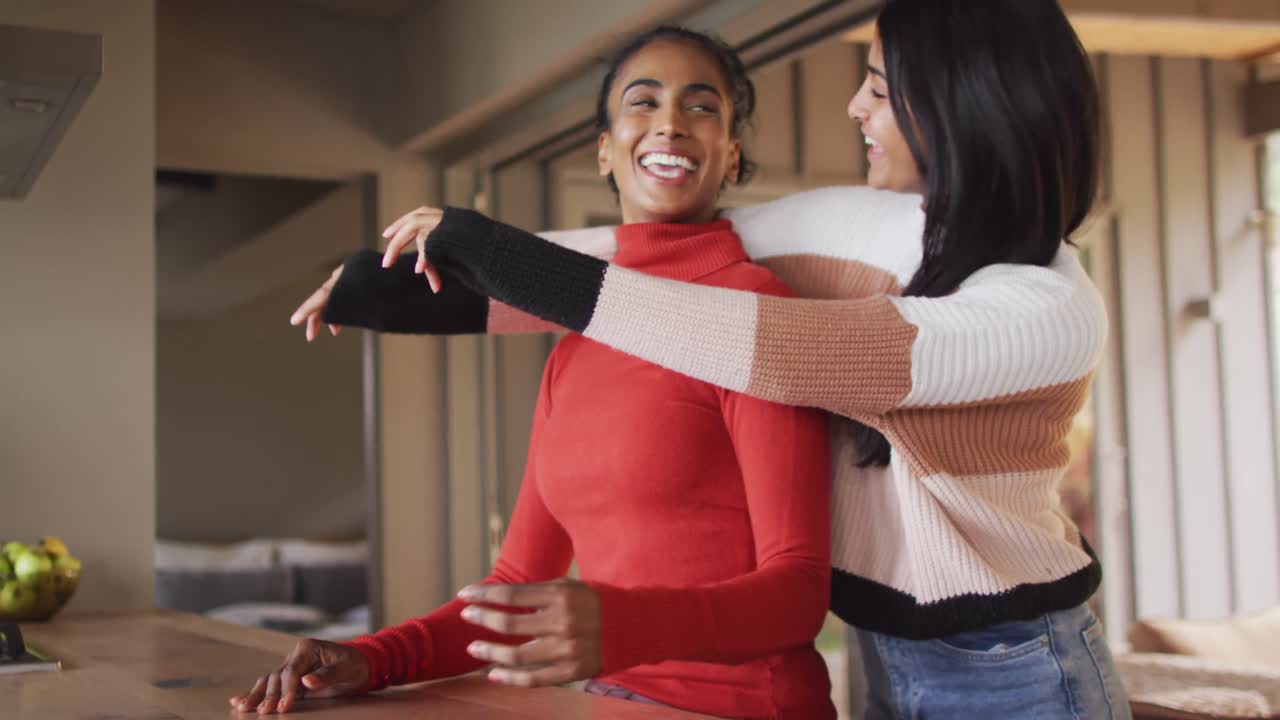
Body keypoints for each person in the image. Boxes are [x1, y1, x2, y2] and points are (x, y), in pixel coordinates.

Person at [296, 1, 1134, 717]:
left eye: (877, 88)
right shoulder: (868, 227)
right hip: (884, 652)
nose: (852, 108)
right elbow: (643, 253)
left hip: (1014, 664)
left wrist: (484, 243)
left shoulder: (1046, 312)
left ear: (957, 106)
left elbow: (768, 349)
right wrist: (389, 283)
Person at [232, 27, 837, 720]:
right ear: (605, 152)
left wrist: (620, 625)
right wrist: (370, 659)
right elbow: (516, 584)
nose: (670, 122)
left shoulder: (754, 306)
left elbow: (797, 594)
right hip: (615, 704)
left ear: (729, 156)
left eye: (702, 108)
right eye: (643, 103)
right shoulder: (575, 349)